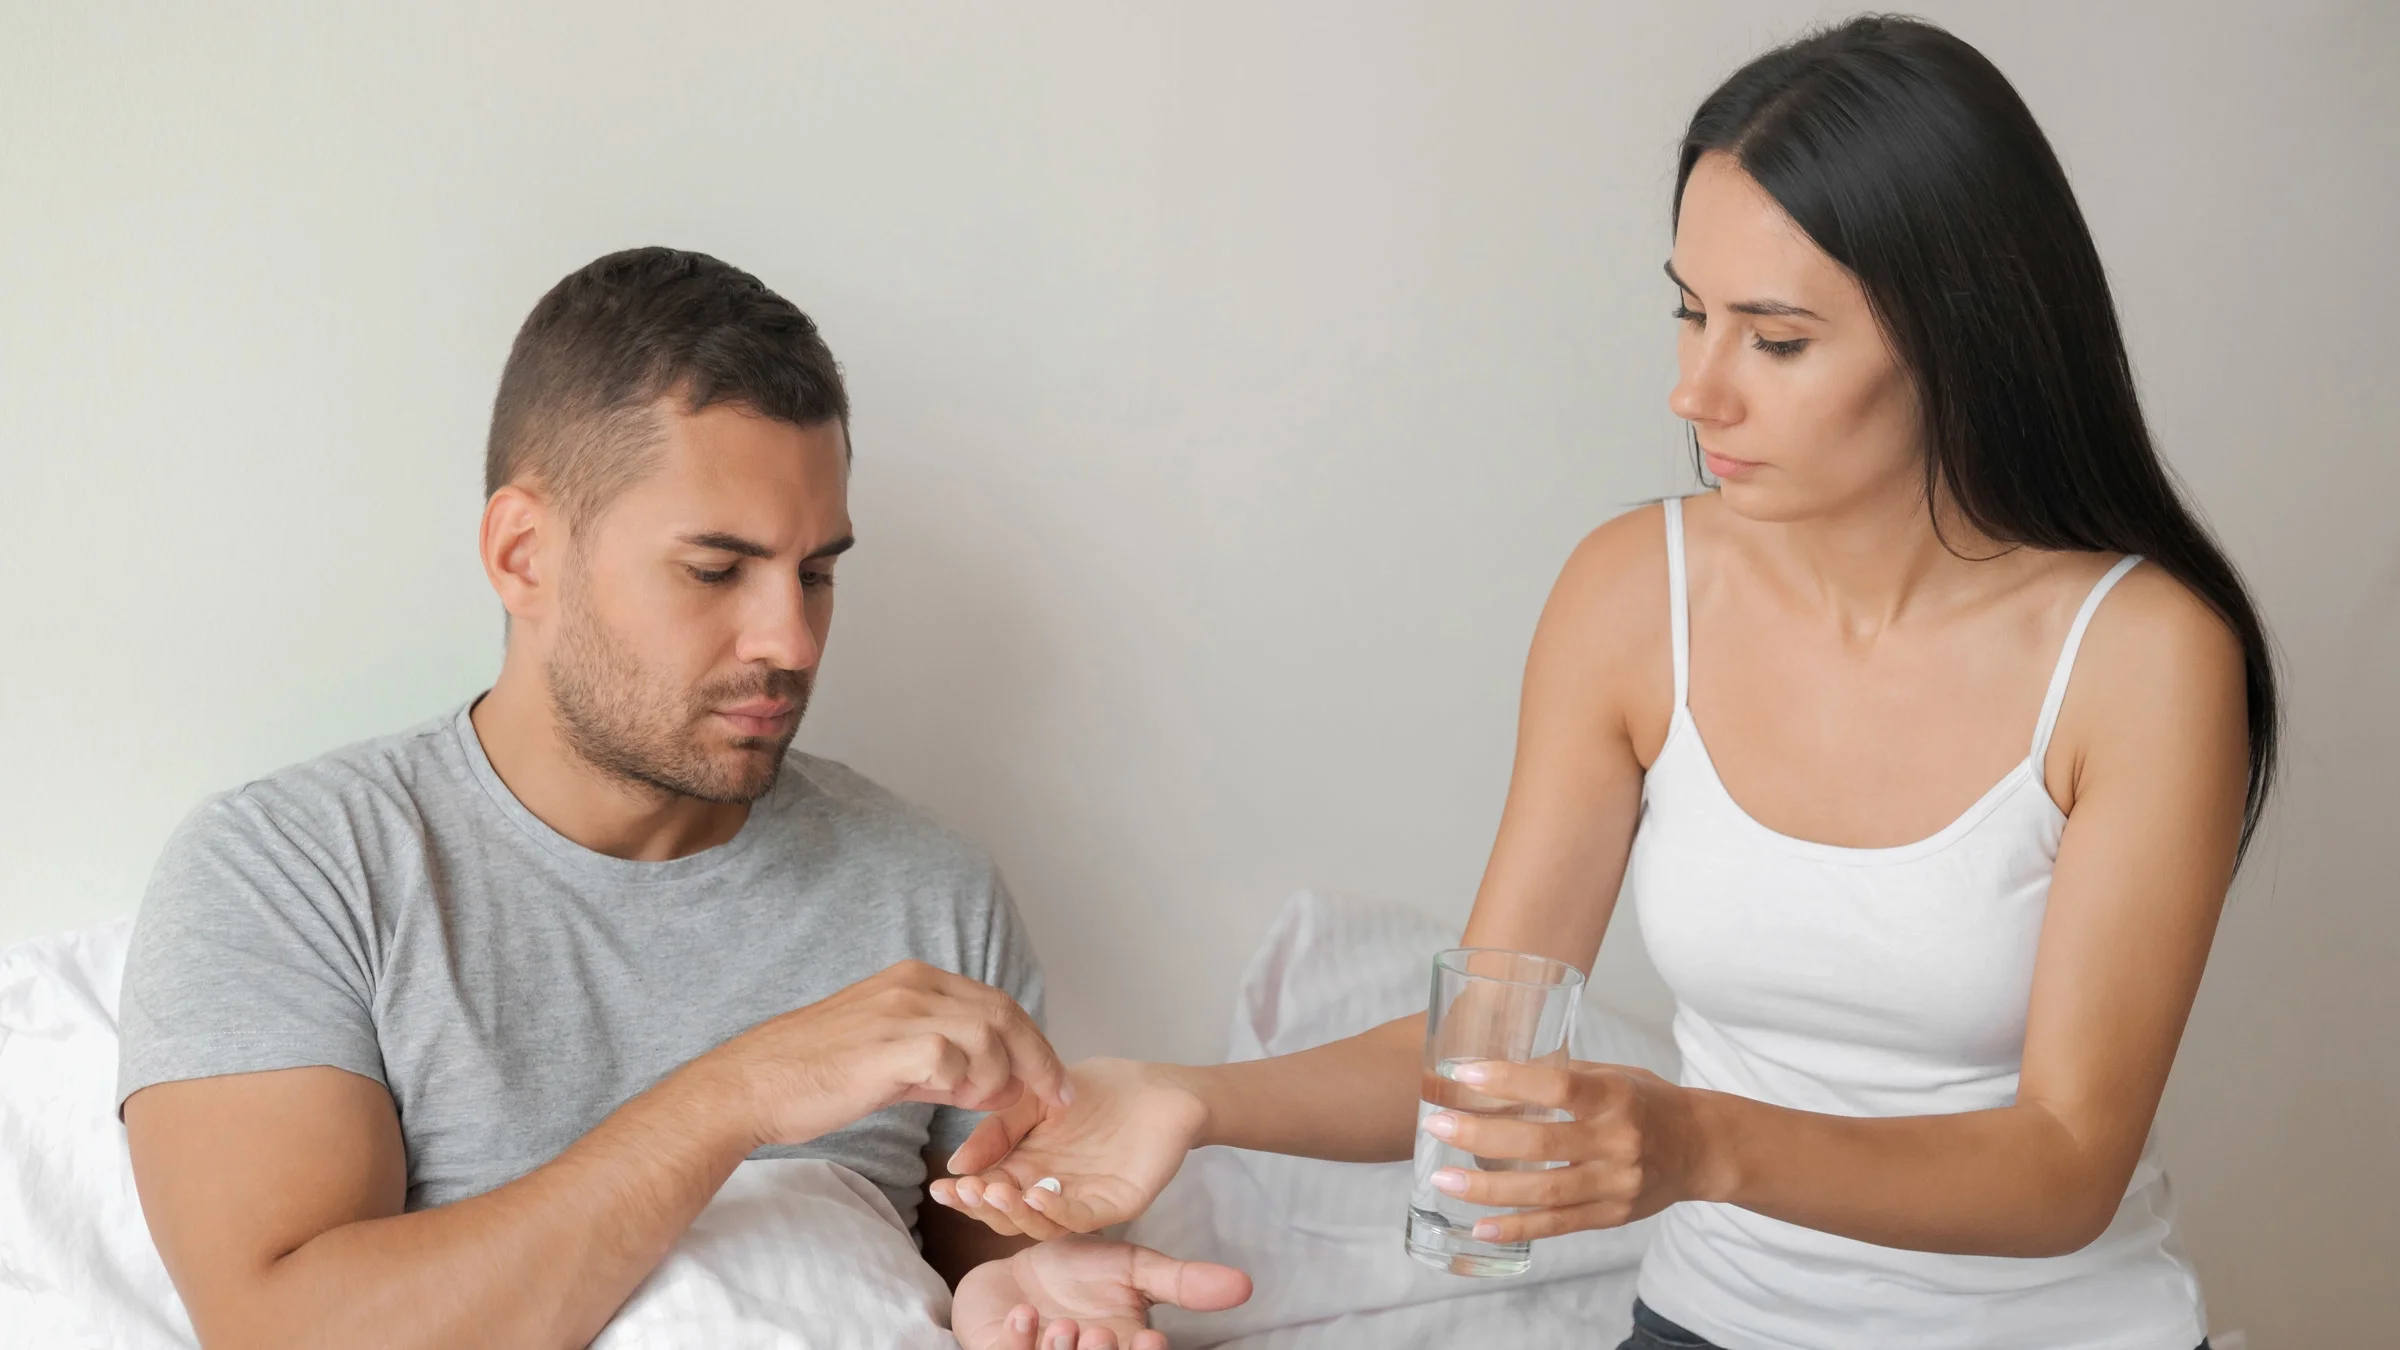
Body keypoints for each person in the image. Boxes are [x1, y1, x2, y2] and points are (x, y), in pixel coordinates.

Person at [930, 17, 2273, 1350]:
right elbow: (1487, 1047)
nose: (1695, 390)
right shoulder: (1635, 592)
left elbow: (2067, 1161)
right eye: (1690, 311)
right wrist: (1183, 1094)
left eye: (1778, 339)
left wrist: (1696, 1138)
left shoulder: (2144, 657)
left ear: (1960, 335)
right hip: (1704, 1321)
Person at [115, 246, 1248, 1350]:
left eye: (817, 571)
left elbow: (980, 1274)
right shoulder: (294, 870)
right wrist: (741, 1093)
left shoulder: (927, 889)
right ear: (523, 556)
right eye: (717, 570)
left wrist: (1031, 1300)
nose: (791, 640)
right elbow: (284, 1331)